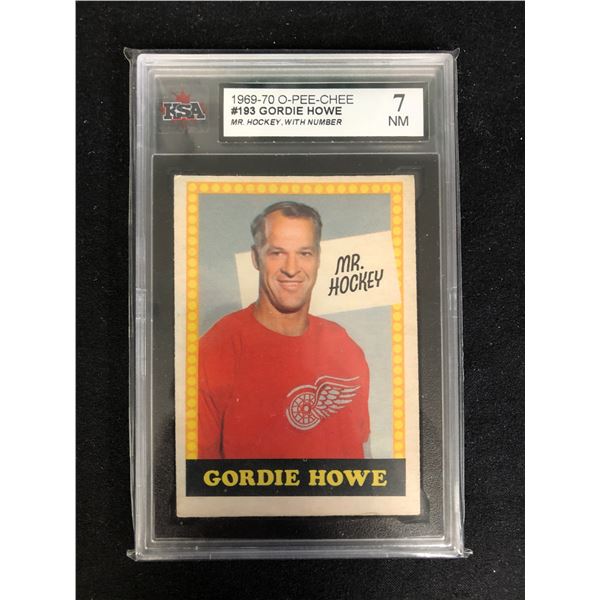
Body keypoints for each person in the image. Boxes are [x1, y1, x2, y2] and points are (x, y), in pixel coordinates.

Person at [197, 201, 370, 459]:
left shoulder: (345, 347)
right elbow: (198, 475)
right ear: (256, 257)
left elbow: (362, 454)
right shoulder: (215, 349)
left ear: (318, 258)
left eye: (305, 253)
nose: (291, 268)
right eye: (277, 253)